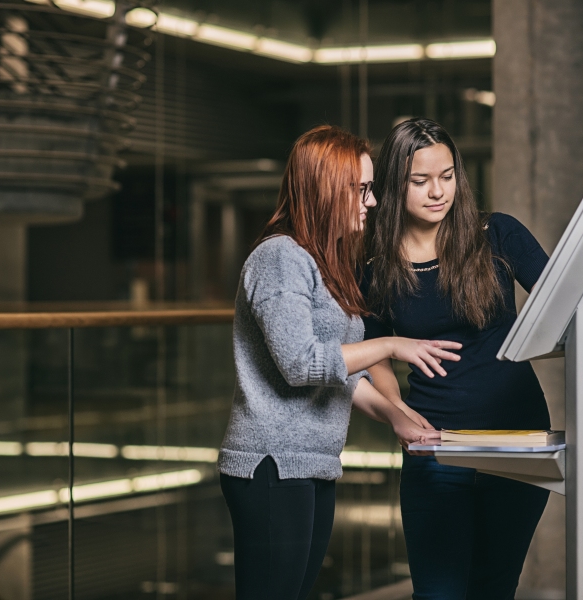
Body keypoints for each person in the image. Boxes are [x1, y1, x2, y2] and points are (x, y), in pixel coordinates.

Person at [217, 125, 462, 600]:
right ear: (325, 190)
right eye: (361, 190)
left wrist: (398, 416)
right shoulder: (280, 257)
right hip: (270, 463)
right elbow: (301, 364)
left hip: (312, 462)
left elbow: (337, 371)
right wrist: (390, 345)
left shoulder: (325, 264)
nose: (371, 202)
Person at [361, 118, 552, 599]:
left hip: (520, 443)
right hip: (437, 447)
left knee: (494, 589)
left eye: (446, 176)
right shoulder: (375, 264)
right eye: (420, 181)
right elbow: (374, 352)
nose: (437, 192)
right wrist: (399, 413)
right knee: (438, 593)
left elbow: (566, 301)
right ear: (393, 184)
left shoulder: (498, 236)